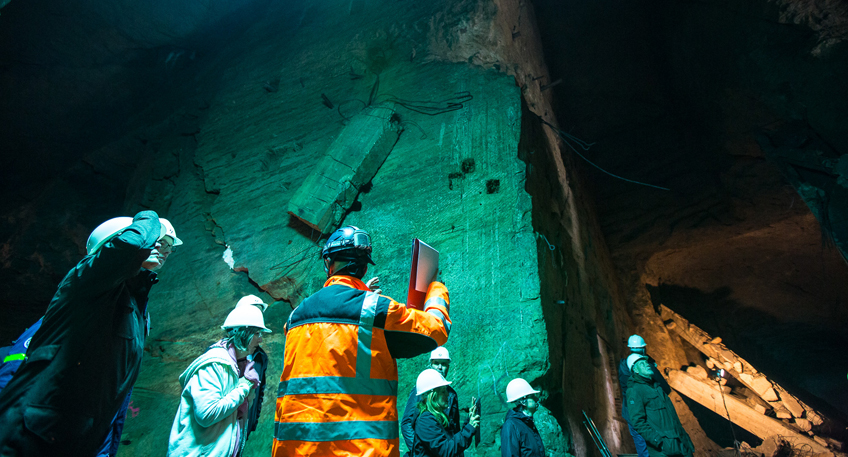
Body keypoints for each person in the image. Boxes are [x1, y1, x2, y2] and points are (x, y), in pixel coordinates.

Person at [0, 211, 173, 456]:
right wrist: (149, 217)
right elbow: (130, 245)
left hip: (78, 437)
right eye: (157, 241)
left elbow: (115, 391)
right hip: (32, 435)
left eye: (167, 246)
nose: (163, 249)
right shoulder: (86, 281)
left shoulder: (135, 308)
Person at [272, 225, 453, 457]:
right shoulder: (373, 310)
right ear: (364, 267)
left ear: (329, 264)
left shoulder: (295, 318)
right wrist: (436, 288)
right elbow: (436, 329)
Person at [167, 304, 270, 457]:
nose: (261, 339)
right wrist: (245, 386)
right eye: (257, 333)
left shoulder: (235, 365)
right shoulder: (215, 365)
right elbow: (207, 414)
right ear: (242, 333)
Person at [626, 354, 694, 457]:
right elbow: (638, 422)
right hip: (663, 450)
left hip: (680, 444)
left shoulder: (657, 387)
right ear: (636, 370)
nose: (647, 364)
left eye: (646, 362)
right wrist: (658, 441)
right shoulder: (635, 390)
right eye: (641, 363)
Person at [617, 334, 670, 457]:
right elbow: (665, 389)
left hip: (629, 411)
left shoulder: (623, 366)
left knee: (641, 444)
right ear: (643, 348)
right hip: (647, 412)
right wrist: (652, 367)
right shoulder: (646, 369)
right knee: (654, 443)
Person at [402, 347, 460, 456]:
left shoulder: (452, 394)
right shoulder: (421, 390)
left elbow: (454, 427)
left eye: (443, 364)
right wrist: (418, 451)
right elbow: (406, 424)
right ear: (430, 364)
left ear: (448, 366)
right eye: (436, 363)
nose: (439, 367)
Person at [232, 295, 271, 449]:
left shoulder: (260, 357)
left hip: (245, 424)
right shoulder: (223, 355)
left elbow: (259, 391)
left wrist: (253, 420)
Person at [412, 369, 478, 457]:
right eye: (443, 391)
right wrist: (469, 428)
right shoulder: (425, 420)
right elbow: (445, 450)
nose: (447, 394)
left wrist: (469, 421)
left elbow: (452, 441)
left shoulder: (437, 417)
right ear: (432, 396)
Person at [500, 378, 545, 457]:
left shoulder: (527, 424)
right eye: (532, 396)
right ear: (523, 401)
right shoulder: (511, 426)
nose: (537, 399)